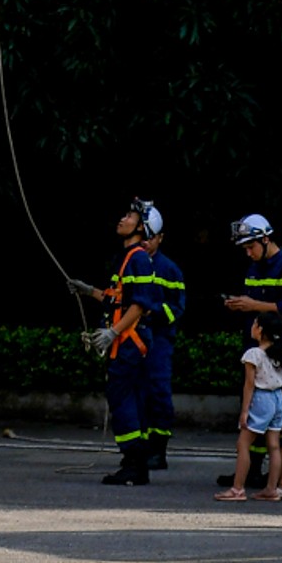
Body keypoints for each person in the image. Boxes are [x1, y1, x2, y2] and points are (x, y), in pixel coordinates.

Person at [72, 198, 164, 486]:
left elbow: (140, 304)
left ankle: (135, 462)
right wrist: (89, 291)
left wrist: (114, 332)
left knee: (122, 399)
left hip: (129, 343)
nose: (122, 219)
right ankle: (134, 461)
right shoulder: (126, 257)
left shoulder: (137, 258)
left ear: (142, 227)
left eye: (129, 216)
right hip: (126, 342)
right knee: (127, 399)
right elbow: (119, 298)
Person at [221, 214, 282, 488]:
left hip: (279, 350)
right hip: (256, 346)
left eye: (251, 247)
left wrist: (254, 306)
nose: (248, 253)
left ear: (266, 239)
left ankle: (277, 477)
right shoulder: (254, 268)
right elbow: (254, 303)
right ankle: (253, 470)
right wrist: (239, 305)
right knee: (257, 409)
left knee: (273, 414)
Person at [215, 313, 282, 502]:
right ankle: (272, 488)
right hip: (279, 399)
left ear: (261, 330)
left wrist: (244, 410)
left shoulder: (253, 354)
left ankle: (237, 488)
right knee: (274, 446)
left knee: (243, 444)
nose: (252, 326)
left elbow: (249, 384)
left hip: (261, 398)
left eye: (255, 324)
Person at [144, 229, 186, 470]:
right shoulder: (130, 263)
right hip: (132, 338)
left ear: (161, 237)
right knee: (135, 393)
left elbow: (177, 308)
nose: (146, 241)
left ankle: (158, 450)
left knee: (158, 392)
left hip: (158, 339)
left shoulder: (169, 269)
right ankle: (138, 450)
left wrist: (153, 312)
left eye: (151, 237)